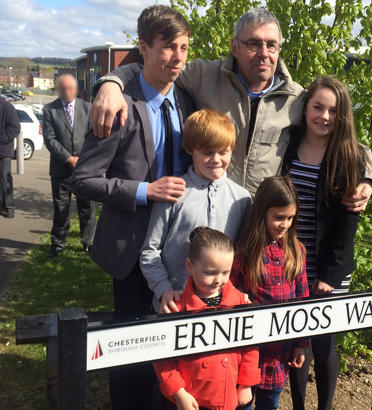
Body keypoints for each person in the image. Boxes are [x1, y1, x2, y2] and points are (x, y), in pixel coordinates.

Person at [89, 8, 372, 211]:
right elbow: (153, 67)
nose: (264, 53)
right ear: (235, 47)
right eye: (253, 43)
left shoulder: (297, 99)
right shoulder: (203, 75)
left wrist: (368, 179)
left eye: (272, 45)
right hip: (205, 215)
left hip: (260, 221)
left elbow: (343, 136)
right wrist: (111, 83)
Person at [69, 5, 195, 410]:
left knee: (174, 349)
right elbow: (83, 180)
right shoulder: (117, 105)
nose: (178, 58)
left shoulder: (190, 101)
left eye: (184, 48)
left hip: (181, 250)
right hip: (131, 253)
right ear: (143, 47)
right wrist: (145, 190)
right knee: (130, 354)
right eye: (168, 48)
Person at [282, 76, 368, 410]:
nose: (325, 116)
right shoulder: (287, 144)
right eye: (318, 107)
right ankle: (300, 405)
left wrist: (329, 276)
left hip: (329, 268)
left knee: (323, 342)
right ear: (306, 108)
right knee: (295, 341)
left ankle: (325, 406)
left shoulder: (349, 155)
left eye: (333, 110)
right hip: (291, 263)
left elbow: (348, 224)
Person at [140, 109, 251, 314]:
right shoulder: (173, 193)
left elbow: (245, 255)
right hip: (176, 306)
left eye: (223, 151)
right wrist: (163, 289)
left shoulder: (242, 199)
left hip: (225, 308)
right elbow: (150, 251)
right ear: (191, 149)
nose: (216, 159)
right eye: (208, 152)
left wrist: (240, 291)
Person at [153, 227, 261, 410]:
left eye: (225, 272)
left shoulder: (240, 303)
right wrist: (179, 392)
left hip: (228, 396)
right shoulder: (175, 309)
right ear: (189, 265)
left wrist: (246, 384)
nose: (218, 280)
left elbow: (250, 347)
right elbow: (163, 360)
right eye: (210, 273)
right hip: (189, 401)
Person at [230, 175, 309, 410]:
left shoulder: (296, 250)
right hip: (249, 349)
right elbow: (231, 293)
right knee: (242, 403)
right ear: (262, 211)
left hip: (279, 351)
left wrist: (301, 343)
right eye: (278, 217)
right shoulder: (245, 250)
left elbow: (302, 301)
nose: (284, 224)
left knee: (270, 402)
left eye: (290, 218)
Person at [43, 74, 96, 257]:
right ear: (58, 90)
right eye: (63, 89)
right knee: (60, 208)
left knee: (87, 207)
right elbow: (50, 139)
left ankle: (89, 242)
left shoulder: (88, 108)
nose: (66, 92)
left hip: (84, 168)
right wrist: (68, 158)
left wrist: (82, 160)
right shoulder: (50, 110)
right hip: (60, 168)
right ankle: (58, 244)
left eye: (70, 88)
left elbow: (93, 137)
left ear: (76, 89)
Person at [0, 96, 20, 218]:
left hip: (4, 151)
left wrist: (1, 139)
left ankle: (9, 207)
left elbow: (15, 128)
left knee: (5, 177)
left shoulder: (7, 107)